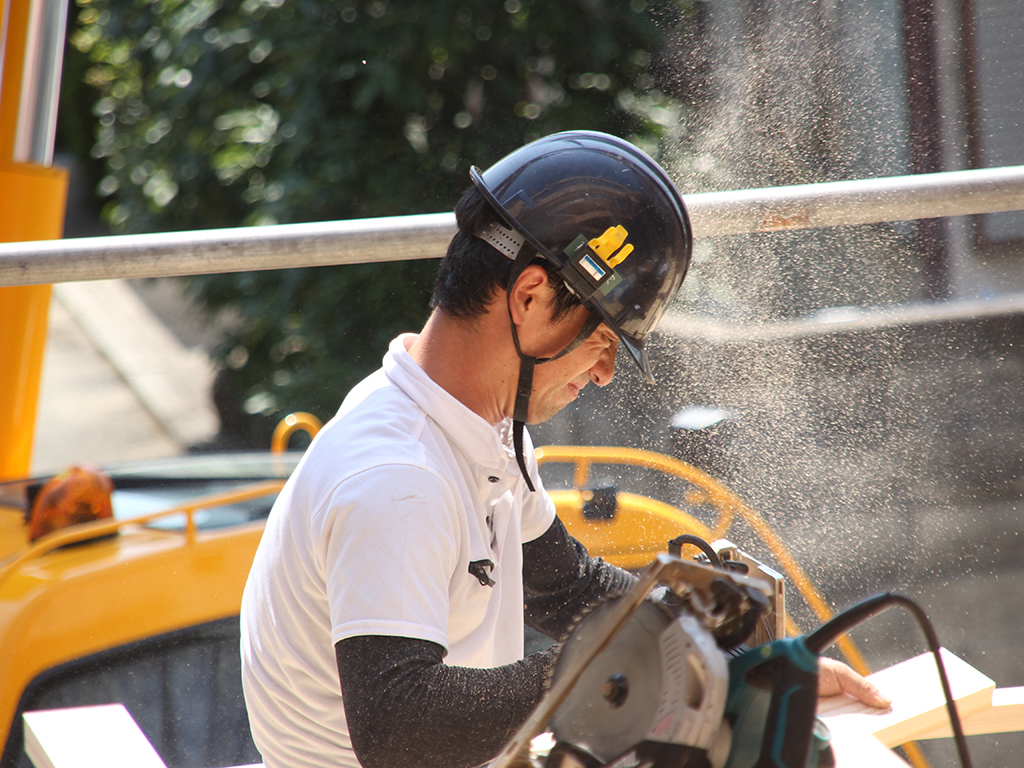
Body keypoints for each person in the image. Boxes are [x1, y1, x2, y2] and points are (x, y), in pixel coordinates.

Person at [239, 131, 888, 768]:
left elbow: (562, 587)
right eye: (603, 340)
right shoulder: (398, 480)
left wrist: (731, 664)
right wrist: (629, 668)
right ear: (528, 297)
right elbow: (399, 726)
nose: (604, 373)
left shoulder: (466, 423)